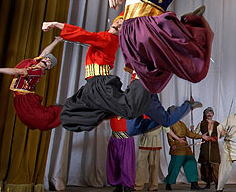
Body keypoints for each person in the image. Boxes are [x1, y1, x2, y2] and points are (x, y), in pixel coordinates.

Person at [44, 18, 195, 132]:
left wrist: (56, 24)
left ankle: (143, 79)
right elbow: (126, 15)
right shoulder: (107, 37)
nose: (116, 24)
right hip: (92, 87)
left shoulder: (109, 39)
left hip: (100, 85)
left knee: (131, 111)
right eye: (116, 22)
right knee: (69, 116)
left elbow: (83, 35)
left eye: (120, 25)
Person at [108, 0, 213, 95]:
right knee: (143, 76)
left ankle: (188, 28)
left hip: (144, 27)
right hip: (130, 28)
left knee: (145, 80)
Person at [0, 36, 63, 131]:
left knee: (42, 119)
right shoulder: (34, 63)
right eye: (46, 59)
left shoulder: (37, 71)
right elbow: (45, 52)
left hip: (25, 99)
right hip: (19, 98)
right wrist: (56, 41)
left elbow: (18, 71)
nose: (46, 61)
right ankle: (60, 111)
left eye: (49, 62)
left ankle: (60, 111)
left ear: (48, 67)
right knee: (32, 120)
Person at [163, 120, 210, 190]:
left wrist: (201, 136)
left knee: (191, 163)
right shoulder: (171, 124)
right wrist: (172, 144)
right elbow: (169, 135)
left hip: (186, 148)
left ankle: (194, 184)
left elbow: (189, 133)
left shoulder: (182, 124)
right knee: (175, 166)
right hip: (178, 148)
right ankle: (168, 183)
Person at [107, 115, 135, 192]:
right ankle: (118, 187)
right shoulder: (112, 111)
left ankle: (127, 187)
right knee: (114, 164)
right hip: (114, 139)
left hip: (126, 140)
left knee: (126, 164)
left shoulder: (130, 112)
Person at [195, 107, 221, 189]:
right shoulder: (201, 123)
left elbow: (222, 133)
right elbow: (195, 133)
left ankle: (218, 184)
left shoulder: (217, 124)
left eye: (211, 113)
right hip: (205, 147)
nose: (209, 114)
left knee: (215, 166)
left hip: (214, 147)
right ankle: (208, 183)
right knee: (205, 166)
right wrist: (192, 130)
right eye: (208, 113)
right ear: (205, 114)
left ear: (213, 114)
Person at [133, 124, 162, 192]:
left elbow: (167, 129)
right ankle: (138, 185)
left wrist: (177, 139)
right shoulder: (144, 118)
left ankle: (153, 185)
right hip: (145, 142)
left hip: (155, 143)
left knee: (154, 165)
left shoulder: (161, 119)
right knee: (140, 164)